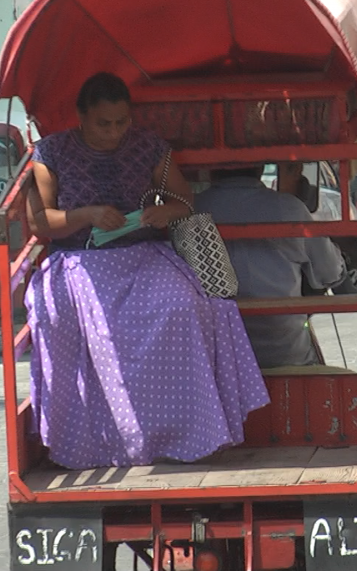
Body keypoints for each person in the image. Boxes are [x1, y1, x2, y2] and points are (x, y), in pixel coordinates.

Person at [25, 72, 269, 470]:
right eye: (104, 124)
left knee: (183, 306)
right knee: (63, 320)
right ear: (81, 117)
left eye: (122, 122)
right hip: (78, 262)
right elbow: (39, 222)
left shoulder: (150, 147)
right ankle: (93, 442)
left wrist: (161, 212)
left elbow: (184, 202)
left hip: (142, 255)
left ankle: (184, 433)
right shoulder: (51, 152)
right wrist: (85, 215)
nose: (114, 132)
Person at [194, 164, 347, 369]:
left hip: (212, 356)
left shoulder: (191, 209)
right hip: (285, 353)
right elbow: (330, 273)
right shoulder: (289, 208)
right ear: (260, 167)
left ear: (209, 170)